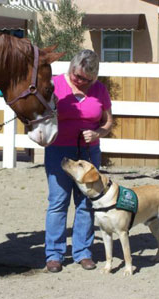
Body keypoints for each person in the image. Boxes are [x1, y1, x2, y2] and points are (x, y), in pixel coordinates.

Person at [44, 49, 113, 273]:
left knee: (85, 203)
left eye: (87, 79)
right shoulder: (54, 85)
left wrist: (98, 134)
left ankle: (83, 252)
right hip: (59, 151)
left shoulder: (100, 90)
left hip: (89, 153)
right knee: (58, 201)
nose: (81, 81)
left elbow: (108, 122)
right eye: (77, 76)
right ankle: (54, 254)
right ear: (71, 68)